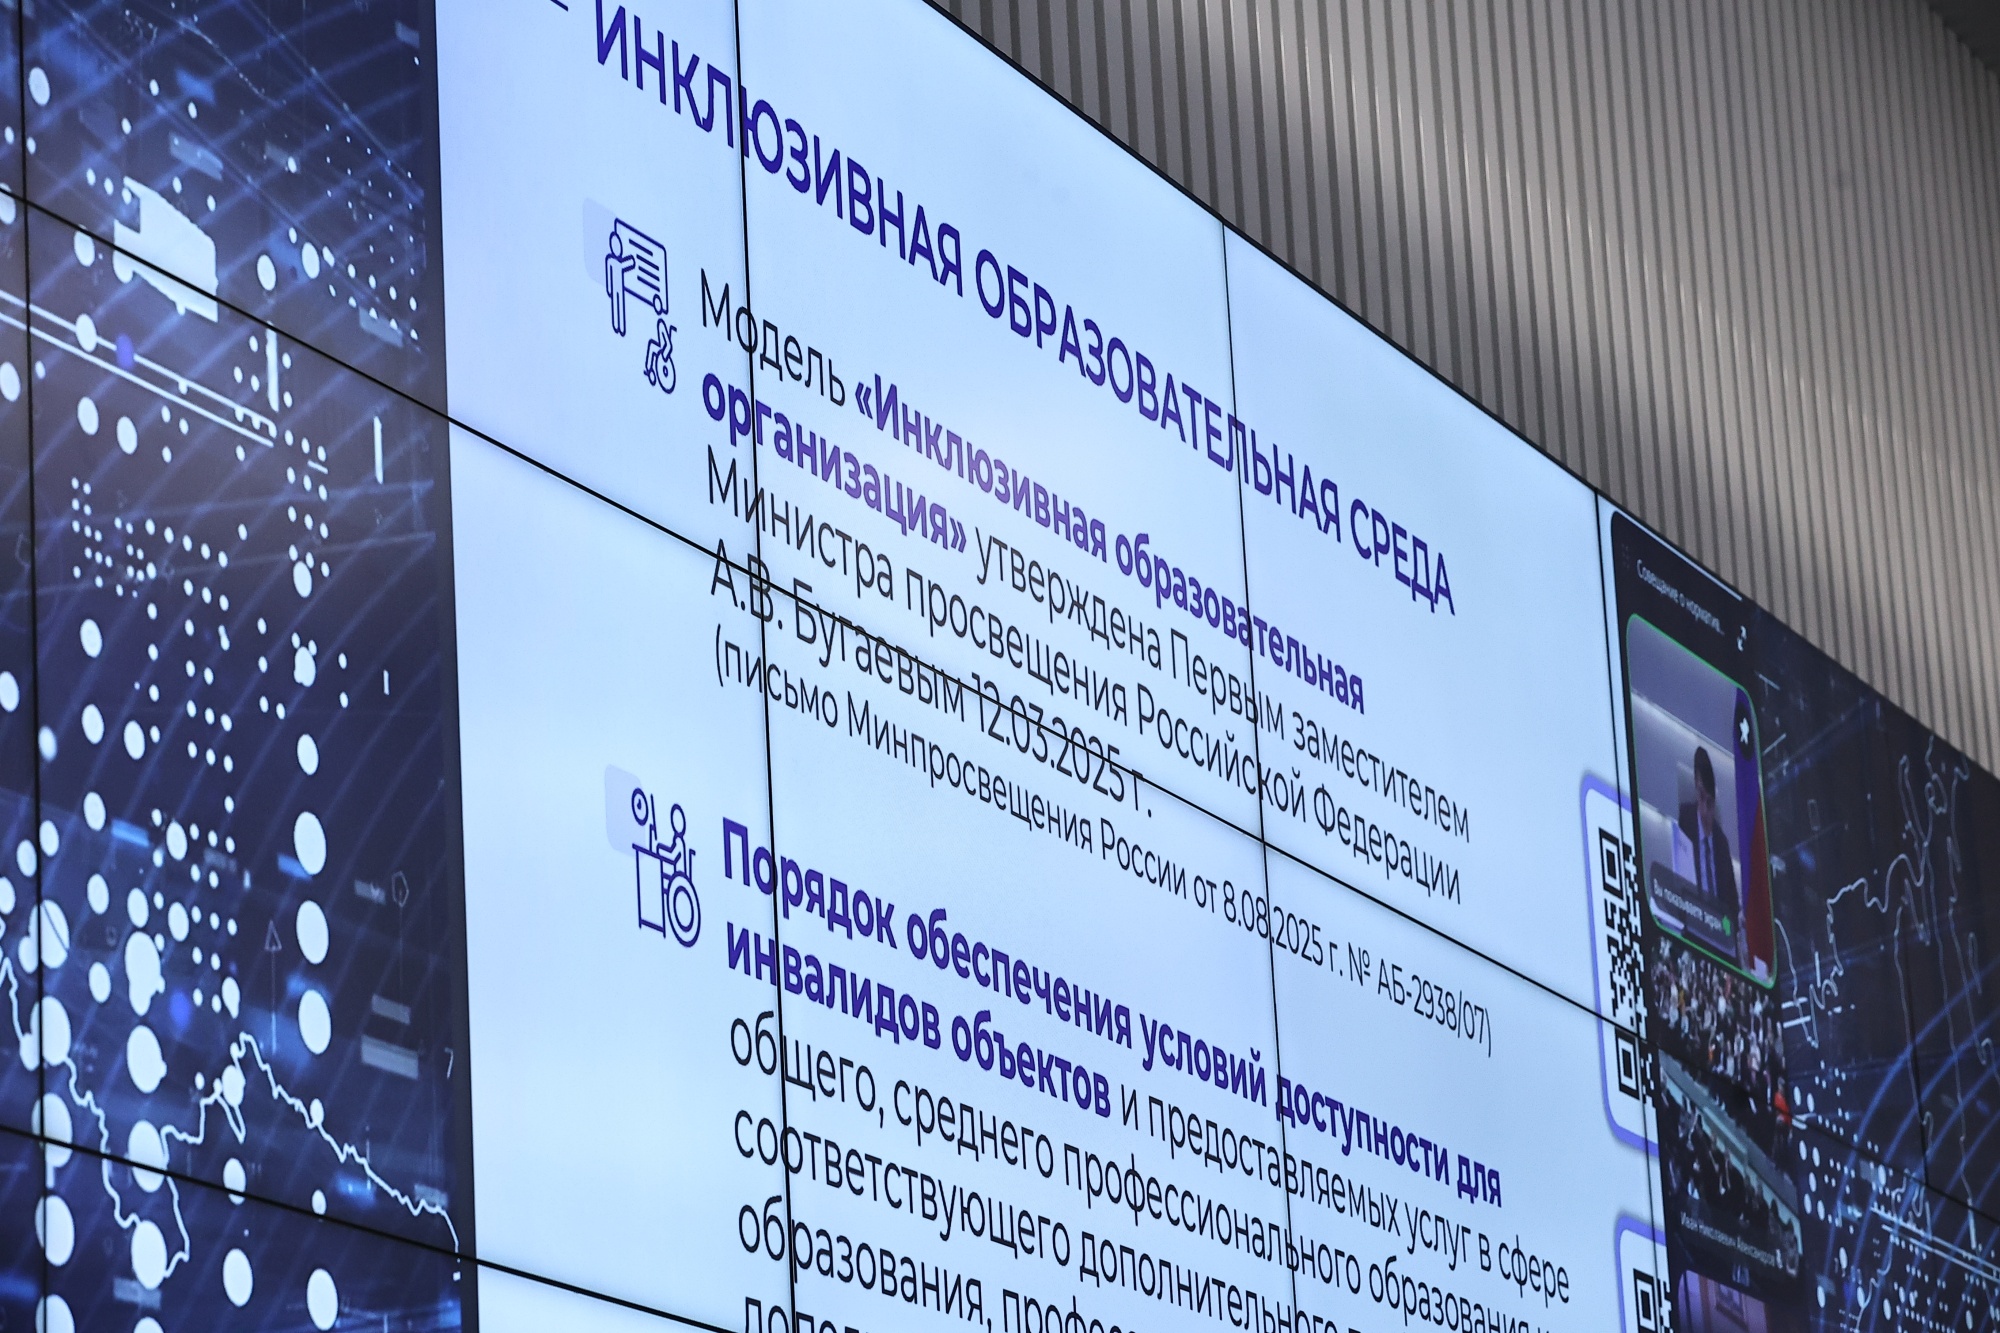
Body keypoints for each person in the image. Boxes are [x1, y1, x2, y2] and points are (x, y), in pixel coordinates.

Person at [1679, 747, 1737, 909]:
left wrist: (1728, 921)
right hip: (1691, 912)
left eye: (1709, 803)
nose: (1705, 811)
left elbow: (1732, 904)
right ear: (1696, 788)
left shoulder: (1721, 843)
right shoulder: (1684, 820)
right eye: (1701, 797)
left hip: (1718, 922)